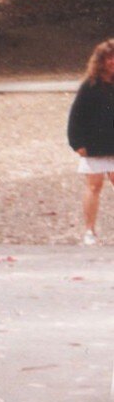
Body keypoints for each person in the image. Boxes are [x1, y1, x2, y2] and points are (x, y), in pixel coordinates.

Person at [67, 38, 114, 246]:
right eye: (109, 58)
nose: (113, 62)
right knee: (94, 186)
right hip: (95, 145)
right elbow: (76, 117)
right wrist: (77, 143)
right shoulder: (89, 85)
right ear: (101, 61)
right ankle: (89, 231)